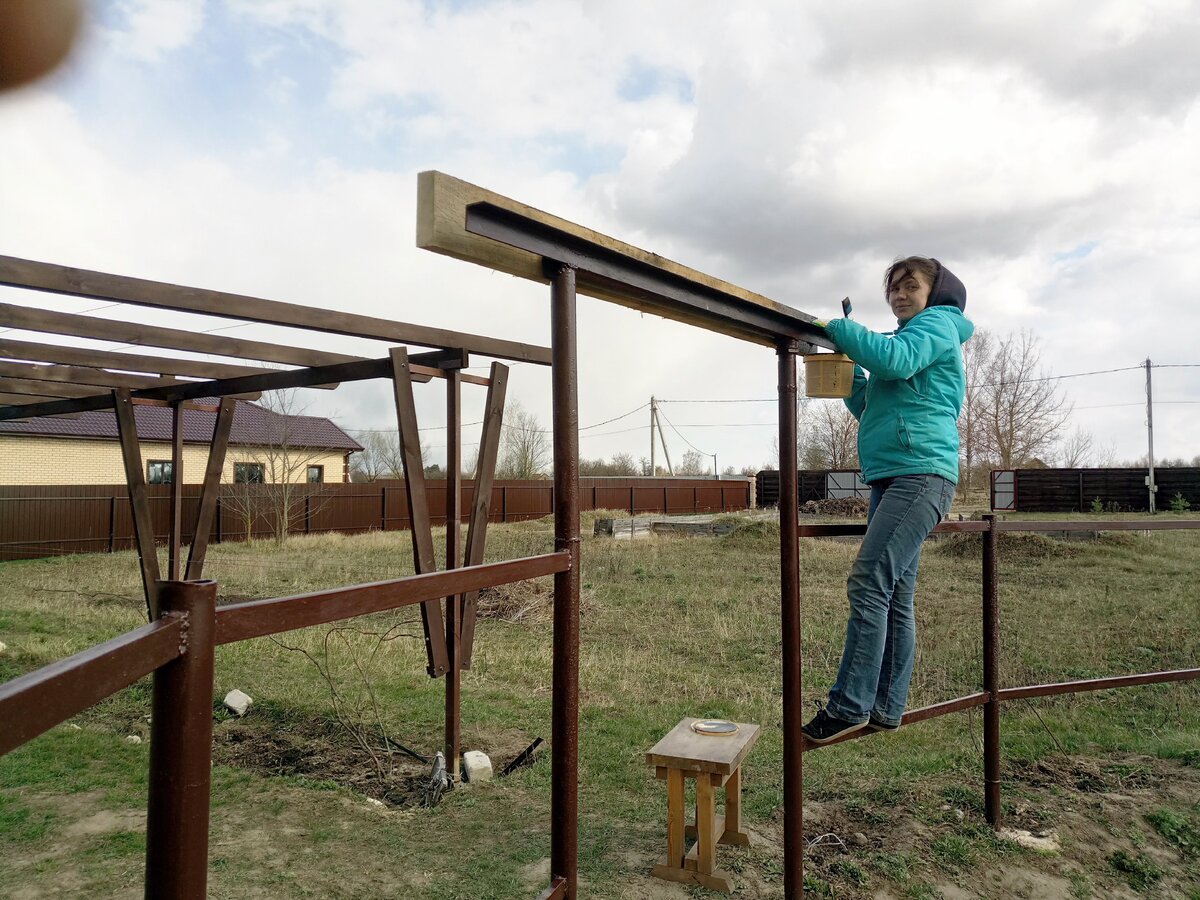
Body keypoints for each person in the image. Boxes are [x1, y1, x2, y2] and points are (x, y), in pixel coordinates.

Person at [801, 257, 974, 744]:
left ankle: (848, 705)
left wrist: (839, 329)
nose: (900, 295)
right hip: (894, 477)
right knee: (895, 595)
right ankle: (884, 707)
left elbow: (896, 361)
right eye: (893, 288)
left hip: (921, 475)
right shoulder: (904, 340)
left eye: (910, 286)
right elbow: (871, 404)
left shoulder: (937, 324)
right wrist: (848, 374)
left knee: (868, 584)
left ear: (934, 291)